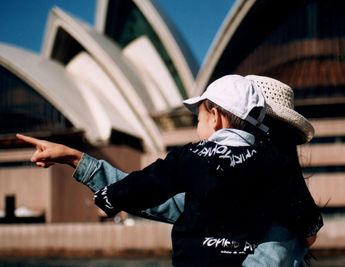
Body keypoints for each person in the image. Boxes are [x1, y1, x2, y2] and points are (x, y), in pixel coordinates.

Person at [17, 74, 323, 266]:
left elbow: (152, 184)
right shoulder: (269, 186)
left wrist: (110, 197)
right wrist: (77, 159)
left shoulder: (280, 227)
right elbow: (152, 195)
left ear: (216, 117)